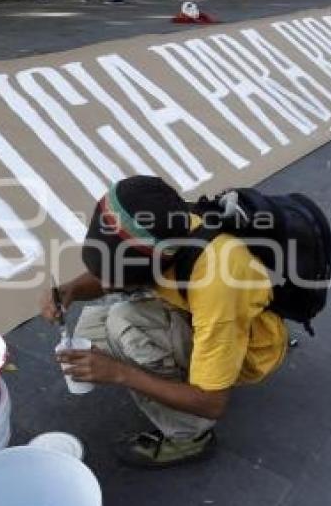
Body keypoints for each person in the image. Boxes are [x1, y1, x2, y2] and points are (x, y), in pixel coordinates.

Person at [44, 176, 288, 467]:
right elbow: (108, 274)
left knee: (123, 323)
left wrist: (120, 373)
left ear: (155, 266)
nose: (105, 284)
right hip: (195, 312)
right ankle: (178, 372)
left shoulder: (217, 283)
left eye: (114, 279)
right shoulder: (160, 225)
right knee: (95, 328)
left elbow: (213, 402)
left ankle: (189, 436)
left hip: (247, 349)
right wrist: (68, 290)